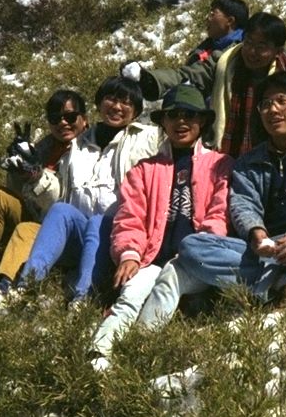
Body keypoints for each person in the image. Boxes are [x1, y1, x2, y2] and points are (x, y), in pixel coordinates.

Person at [162, 72, 286, 357]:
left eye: (282, 101)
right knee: (192, 246)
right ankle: (282, 283)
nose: (273, 109)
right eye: (266, 104)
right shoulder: (249, 161)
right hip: (268, 250)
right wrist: (257, 234)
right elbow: (243, 203)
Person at [89, 84, 231, 365]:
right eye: (173, 115)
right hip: (152, 258)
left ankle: (137, 353)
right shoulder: (145, 169)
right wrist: (130, 254)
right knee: (131, 292)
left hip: (195, 260)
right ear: (163, 121)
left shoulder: (221, 165)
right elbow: (130, 217)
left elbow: (219, 214)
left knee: (169, 281)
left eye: (189, 115)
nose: (181, 122)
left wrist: (199, 248)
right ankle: (98, 352)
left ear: (202, 121)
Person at [16, 76, 162, 302]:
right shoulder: (78, 144)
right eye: (110, 99)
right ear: (99, 103)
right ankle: (27, 284)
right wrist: (36, 176)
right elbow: (59, 192)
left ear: (136, 111)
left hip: (118, 234)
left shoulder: (149, 137)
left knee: (98, 221)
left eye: (126, 102)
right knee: (61, 210)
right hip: (79, 231)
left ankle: (82, 298)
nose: (117, 107)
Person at [128, 11, 286, 157]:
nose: (252, 51)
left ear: (278, 51)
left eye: (261, 47)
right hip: (224, 157)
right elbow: (189, 76)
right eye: (249, 42)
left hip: (271, 161)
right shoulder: (225, 63)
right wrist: (149, 80)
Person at [0, 88, 90, 295]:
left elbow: (60, 203)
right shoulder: (46, 146)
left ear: (84, 119)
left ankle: (4, 285)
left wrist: (36, 175)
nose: (63, 123)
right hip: (38, 212)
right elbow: (20, 191)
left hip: (62, 225)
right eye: (55, 118)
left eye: (70, 117)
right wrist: (18, 169)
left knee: (27, 229)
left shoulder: (89, 149)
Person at [122, 0, 248, 100]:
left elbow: (193, 77)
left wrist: (149, 80)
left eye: (213, 14)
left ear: (230, 21)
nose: (207, 18)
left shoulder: (234, 52)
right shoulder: (211, 46)